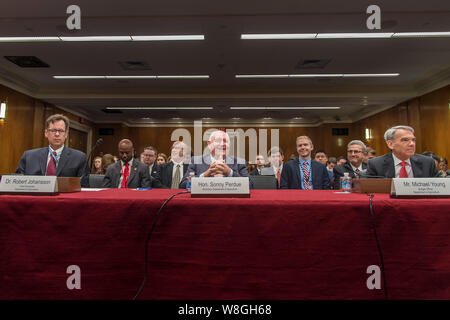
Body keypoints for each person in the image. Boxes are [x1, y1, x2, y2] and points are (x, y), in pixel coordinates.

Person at [16, 114, 90, 187]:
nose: (57, 134)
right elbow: (17, 183)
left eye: (61, 131)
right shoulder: (29, 156)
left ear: (66, 134)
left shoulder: (79, 158)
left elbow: (83, 187)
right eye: (53, 130)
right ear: (46, 133)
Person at [179, 130, 248, 188]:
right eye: (218, 140)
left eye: (225, 141)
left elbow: (250, 185)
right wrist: (204, 175)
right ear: (209, 144)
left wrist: (230, 173)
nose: (222, 144)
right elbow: (183, 185)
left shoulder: (240, 162)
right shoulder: (196, 161)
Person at [366, 125, 438, 178]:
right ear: (390, 144)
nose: (412, 144)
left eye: (413, 140)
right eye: (405, 140)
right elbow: (372, 192)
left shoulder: (427, 163)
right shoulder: (376, 164)